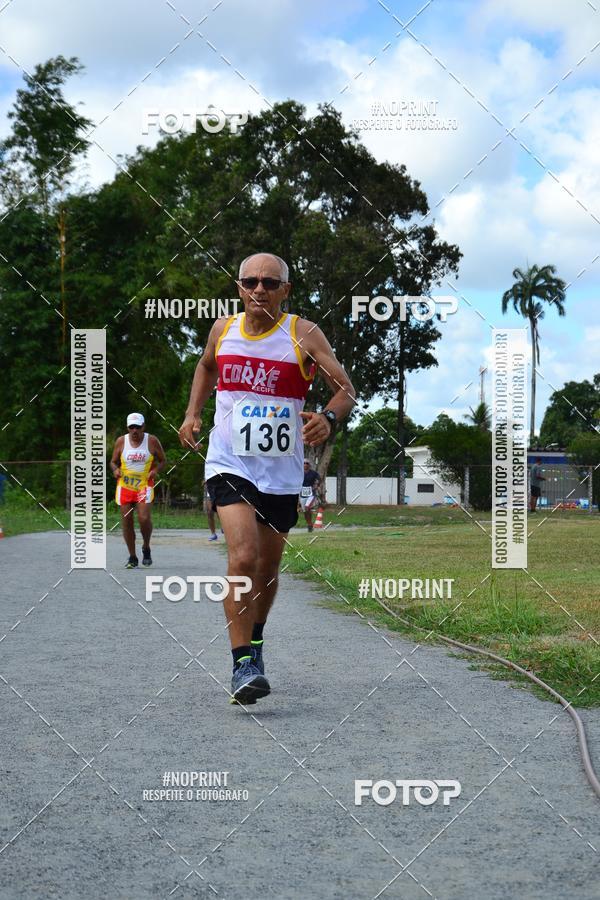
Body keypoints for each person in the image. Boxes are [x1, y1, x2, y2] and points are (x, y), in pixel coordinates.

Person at [178, 252, 355, 705]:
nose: (259, 289)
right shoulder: (223, 329)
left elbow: (346, 388)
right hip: (228, 461)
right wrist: (193, 412)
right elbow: (204, 365)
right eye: (251, 281)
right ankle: (241, 664)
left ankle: (255, 642)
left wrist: (330, 419)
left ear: (285, 291)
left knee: (268, 568)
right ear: (239, 286)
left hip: (280, 470)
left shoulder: (302, 333)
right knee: (243, 557)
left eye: (270, 283)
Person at [110, 413, 166, 567]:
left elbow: (163, 460)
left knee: (144, 518)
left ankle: (146, 546)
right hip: (125, 486)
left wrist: (155, 470)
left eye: (138, 427)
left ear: (144, 427)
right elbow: (113, 462)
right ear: (127, 428)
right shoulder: (121, 441)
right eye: (131, 427)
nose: (135, 430)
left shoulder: (152, 440)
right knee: (127, 521)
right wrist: (115, 470)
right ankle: (132, 557)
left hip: (143, 485)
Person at [300, 459, 321, 532]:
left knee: (307, 507)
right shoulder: (299, 472)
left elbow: (319, 479)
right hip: (302, 494)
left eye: (307, 463)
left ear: (309, 465)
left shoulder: (313, 473)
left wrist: (316, 485)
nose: (305, 464)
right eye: (304, 463)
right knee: (305, 511)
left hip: (311, 494)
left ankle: (309, 524)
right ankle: (309, 524)